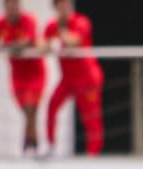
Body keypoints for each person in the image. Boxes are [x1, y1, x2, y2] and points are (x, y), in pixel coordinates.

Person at [0, 0, 46, 158]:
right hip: (17, 76)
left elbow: (26, 42)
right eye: (10, 6)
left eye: (16, 5)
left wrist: (4, 46)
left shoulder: (28, 20)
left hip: (35, 73)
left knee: (32, 108)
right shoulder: (0, 23)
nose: (13, 9)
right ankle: (33, 144)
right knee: (27, 111)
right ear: (4, 8)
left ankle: (27, 147)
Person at [42, 0, 105, 157]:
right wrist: (50, 43)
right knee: (52, 105)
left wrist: (58, 37)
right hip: (68, 79)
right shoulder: (51, 26)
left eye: (66, 5)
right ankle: (50, 146)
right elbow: (41, 44)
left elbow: (74, 41)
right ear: (55, 7)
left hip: (87, 78)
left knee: (90, 118)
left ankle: (93, 154)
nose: (64, 8)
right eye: (60, 5)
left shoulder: (81, 21)